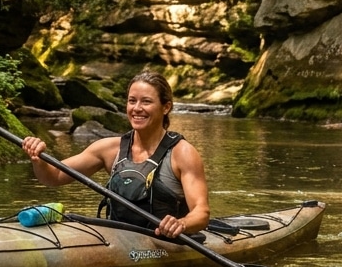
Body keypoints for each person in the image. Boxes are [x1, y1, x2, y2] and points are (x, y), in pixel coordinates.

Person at [21, 69, 210, 239]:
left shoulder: (182, 153)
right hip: (118, 240)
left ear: (166, 107)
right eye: (132, 101)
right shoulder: (109, 149)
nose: (137, 108)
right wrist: (38, 159)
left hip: (165, 243)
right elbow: (54, 177)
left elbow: (201, 213)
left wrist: (182, 224)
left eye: (146, 102)